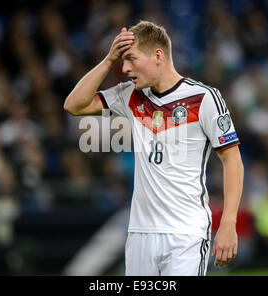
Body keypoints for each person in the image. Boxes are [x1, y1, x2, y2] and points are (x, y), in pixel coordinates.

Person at [64, 20, 244, 276]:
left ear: (158, 55)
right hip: (140, 233)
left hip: (186, 233)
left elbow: (232, 161)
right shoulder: (129, 95)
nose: (124, 68)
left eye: (131, 59)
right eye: (122, 61)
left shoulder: (204, 98)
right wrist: (108, 60)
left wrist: (228, 223)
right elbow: (74, 105)